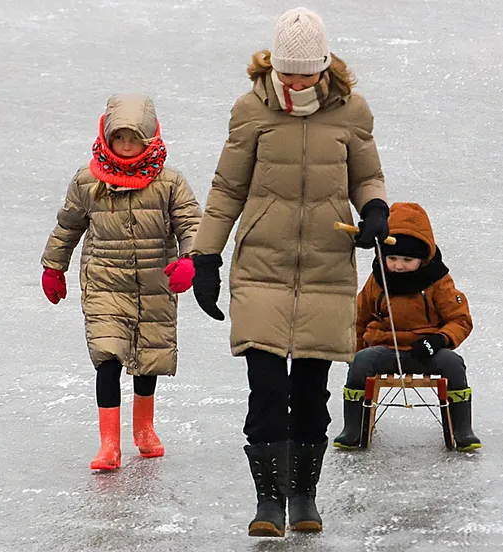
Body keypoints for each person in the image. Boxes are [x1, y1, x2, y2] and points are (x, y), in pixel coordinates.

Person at [189, 7, 389, 537]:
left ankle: (303, 497)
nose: (295, 80)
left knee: (310, 393)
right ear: (273, 65)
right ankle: (267, 503)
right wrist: (205, 257)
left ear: (324, 66)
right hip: (261, 268)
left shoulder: (351, 112)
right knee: (266, 389)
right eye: (287, 70)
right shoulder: (249, 111)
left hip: (326, 268)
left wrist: (374, 210)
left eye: (305, 71)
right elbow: (227, 189)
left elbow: (367, 176)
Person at [40, 94, 201, 471]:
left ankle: (144, 428)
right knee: (107, 357)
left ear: (149, 140)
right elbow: (68, 226)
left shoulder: (169, 182)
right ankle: (108, 443)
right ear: (107, 137)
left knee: (147, 359)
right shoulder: (88, 181)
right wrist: (53, 266)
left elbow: (191, 224)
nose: (126, 147)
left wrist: (189, 260)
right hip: (104, 283)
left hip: (153, 283)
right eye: (120, 138)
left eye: (134, 139)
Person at [332, 202, 482, 452]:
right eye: (392, 258)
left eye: (407, 259)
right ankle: (353, 428)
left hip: (426, 351)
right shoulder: (377, 280)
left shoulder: (438, 281)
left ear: (423, 259)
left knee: (453, 364)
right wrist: (355, 353)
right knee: (361, 362)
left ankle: (462, 429)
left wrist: (439, 340)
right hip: (384, 350)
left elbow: (460, 320)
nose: (398, 265)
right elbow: (358, 319)